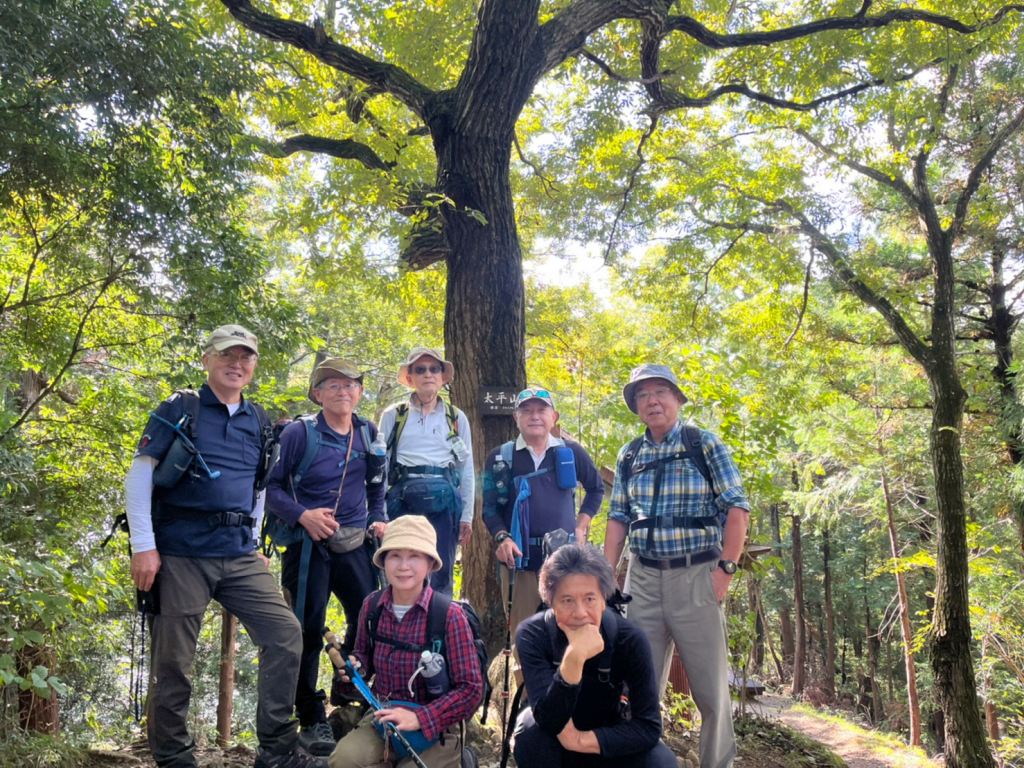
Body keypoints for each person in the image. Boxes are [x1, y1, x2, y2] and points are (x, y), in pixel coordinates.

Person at [124, 325, 311, 768]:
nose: (237, 363)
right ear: (208, 359)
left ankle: (277, 748)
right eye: (228, 354)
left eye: (246, 356)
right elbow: (139, 476)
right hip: (180, 551)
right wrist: (143, 547)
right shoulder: (181, 407)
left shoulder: (260, 419)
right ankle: (174, 757)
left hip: (238, 553)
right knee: (174, 661)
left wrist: (252, 535)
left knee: (285, 635)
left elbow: (260, 485)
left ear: (254, 365)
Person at [604, 364, 750, 768]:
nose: (652, 401)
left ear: (678, 399)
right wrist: (605, 575)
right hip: (642, 579)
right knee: (637, 687)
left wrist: (725, 571)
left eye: (660, 392)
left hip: (696, 575)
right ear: (635, 407)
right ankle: (641, 761)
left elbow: (737, 508)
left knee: (711, 693)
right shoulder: (628, 455)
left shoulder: (704, 445)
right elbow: (618, 517)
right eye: (642, 395)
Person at [265, 358, 388, 756]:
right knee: (306, 628)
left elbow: (377, 488)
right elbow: (269, 488)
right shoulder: (300, 434)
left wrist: (379, 520)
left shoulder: (368, 432)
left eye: (350, 385)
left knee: (370, 615)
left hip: (355, 541)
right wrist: (303, 514)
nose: (342, 392)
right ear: (317, 394)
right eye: (332, 385)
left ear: (360, 392)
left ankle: (353, 694)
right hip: (306, 543)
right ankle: (311, 717)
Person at [327, 515, 484, 768]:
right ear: (384, 561)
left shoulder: (449, 616)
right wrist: (357, 666)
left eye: (414, 556)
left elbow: (471, 690)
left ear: (431, 563)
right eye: (395, 555)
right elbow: (364, 657)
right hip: (383, 717)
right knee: (343, 760)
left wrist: (421, 717)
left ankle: (461, 759)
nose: (403, 566)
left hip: (438, 725)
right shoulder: (372, 606)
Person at [512, 544, 677, 768]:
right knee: (531, 739)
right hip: (551, 734)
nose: (580, 613)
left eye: (589, 599)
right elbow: (548, 720)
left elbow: (648, 726)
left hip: (604, 734)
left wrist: (579, 741)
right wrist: (574, 658)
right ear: (551, 603)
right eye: (567, 601)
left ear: (603, 600)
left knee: (661, 761)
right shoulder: (533, 634)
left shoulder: (629, 639)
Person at [482, 387, 604, 633]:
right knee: (524, 637)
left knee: (572, 635)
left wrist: (581, 526)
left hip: (565, 561)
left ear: (554, 417)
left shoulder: (570, 453)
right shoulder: (500, 457)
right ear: (516, 418)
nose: (534, 416)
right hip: (520, 563)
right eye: (526, 411)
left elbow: (596, 488)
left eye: (541, 410)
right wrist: (503, 537)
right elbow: (489, 508)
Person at [377, 347, 474, 595]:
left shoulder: (456, 417)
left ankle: (438, 630)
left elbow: (466, 469)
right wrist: (379, 513)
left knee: (440, 572)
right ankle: (400, 628)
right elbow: (380, 467)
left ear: (443, 377)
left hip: (445, 502)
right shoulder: (394, 415)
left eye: (434, 369)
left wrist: (467, 516)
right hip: (402, 500)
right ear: (410, 378)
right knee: (401, 569)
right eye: (420, 369)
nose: (428, 374)